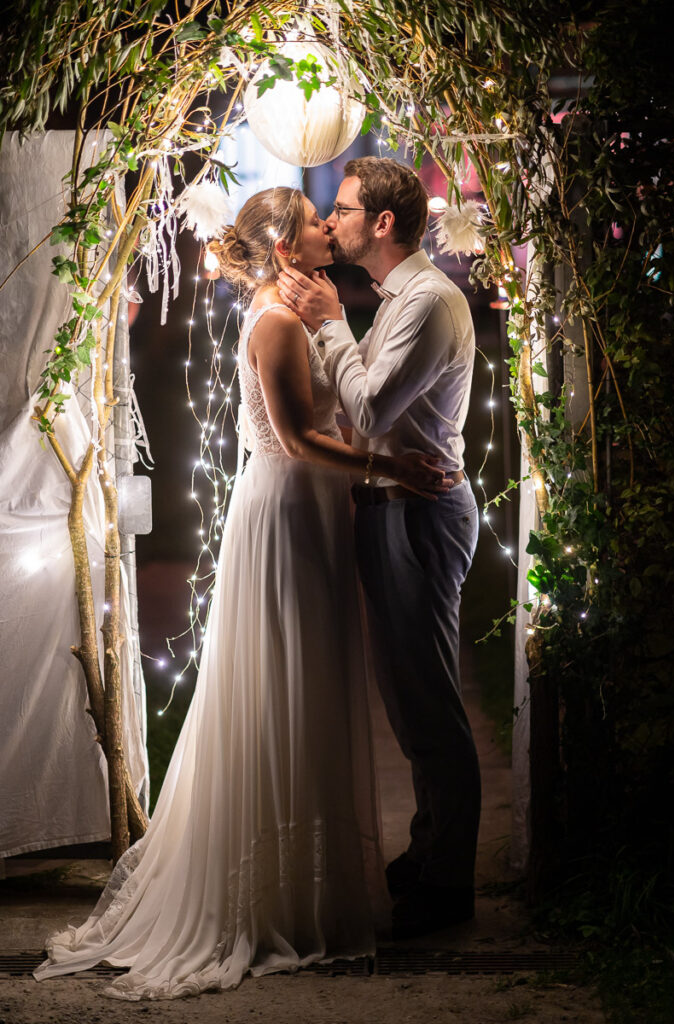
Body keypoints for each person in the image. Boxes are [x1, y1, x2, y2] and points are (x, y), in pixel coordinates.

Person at [34, 186, 450, 1000]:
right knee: (285, 690)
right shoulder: (276, 321)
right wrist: (391, 467)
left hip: (312, 509)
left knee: (308, 687)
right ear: (288, 248)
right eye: (314, 220)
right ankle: (270, 901)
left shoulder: (295, 308)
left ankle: (301, 884)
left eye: (335, 214)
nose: (330, 223)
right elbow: (297, 438)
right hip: (290, 513)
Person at [277, 157, 481, 940]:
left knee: (427, 702)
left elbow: (366, 410)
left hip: (417, 512)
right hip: (392, 506)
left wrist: (330, 321)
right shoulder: (401, 298)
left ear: (382, 223)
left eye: (345, 207)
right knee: (407, 697)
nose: (333, 219)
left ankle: (443, 886)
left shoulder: (427, 303)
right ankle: (427, 854)